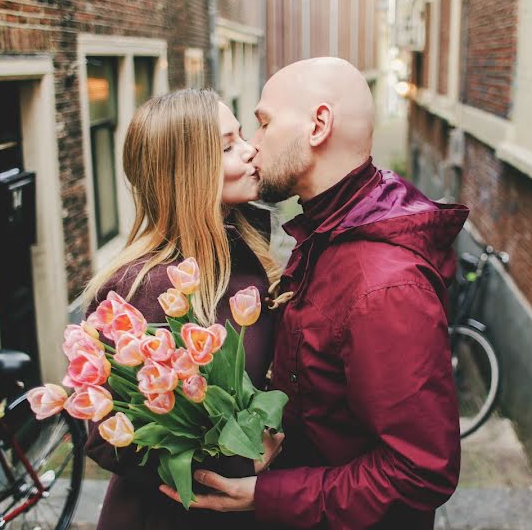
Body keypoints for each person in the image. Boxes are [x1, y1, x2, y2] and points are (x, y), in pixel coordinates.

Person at [162, 58, 467, 528]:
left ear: (318, 125)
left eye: (262, 124)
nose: (253, 145)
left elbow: (420, 471)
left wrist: (268, 495)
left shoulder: (383, 284)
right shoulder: (331, 228)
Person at [84, 89, 283, 530]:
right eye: (229, 146)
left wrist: (270, 434)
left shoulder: (245, 249)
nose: (251, 151)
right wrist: (229, 462)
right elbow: (103, 437)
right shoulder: (141, 288)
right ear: (191, 173)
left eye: (243, 136)